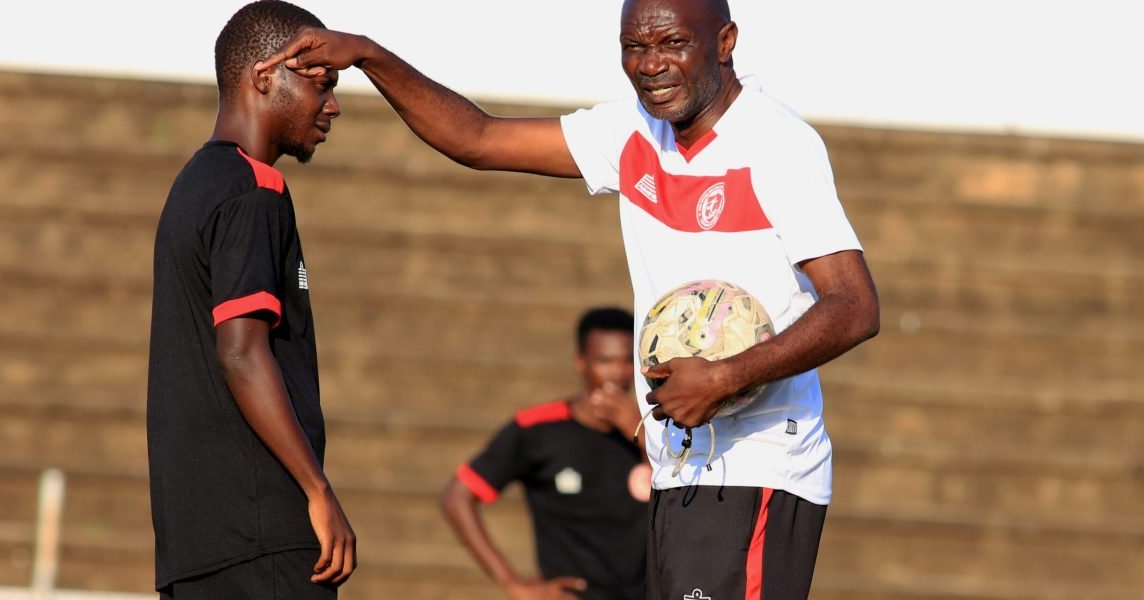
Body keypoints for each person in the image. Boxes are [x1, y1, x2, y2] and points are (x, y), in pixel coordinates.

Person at [257, 0, 881, 597]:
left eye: (672, 43)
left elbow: (853, 306)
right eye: (633, 47)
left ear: (725, 42)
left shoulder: (778, 144)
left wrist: (725, 376)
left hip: (759, 466)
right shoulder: (632, 132)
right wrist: (369, 55)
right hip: (679, 468)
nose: (651, 64)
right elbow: (476, 138)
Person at [146, 2, 356, 598]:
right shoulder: (254, 188)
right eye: (323, 85)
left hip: (195, 542)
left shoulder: (194, 183)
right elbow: (240, 351)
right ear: (265, 77)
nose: (333, 105)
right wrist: (317, 490)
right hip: (263, 531)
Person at [440, 307, 650, 600]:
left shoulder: (659, 433)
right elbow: (457, 497)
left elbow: (675, 501)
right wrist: (514, 584)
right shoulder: (536, 429)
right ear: (581, 362)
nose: (617, 372)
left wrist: (642, 435)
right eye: (605, 361)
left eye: (628, 361)